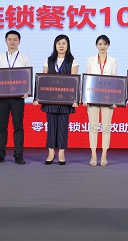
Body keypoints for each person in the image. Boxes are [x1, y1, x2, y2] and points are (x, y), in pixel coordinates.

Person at [33, 34, 79, 165]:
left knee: (63, 127)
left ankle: (61, 154)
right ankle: (51, 153)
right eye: (59, 43)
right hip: (51, 100)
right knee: (51, 127)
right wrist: (38, 98)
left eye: (64, 43)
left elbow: (74, 82)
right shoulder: (48, 60)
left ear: (68, 45)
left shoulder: (73, 61)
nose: (61, 46)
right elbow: (43, 80)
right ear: (55, 45)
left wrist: (75, 99)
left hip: (65, 101)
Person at [0, 30, 31, 165]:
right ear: (6, 41)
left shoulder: (24, 58)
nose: (12, 42)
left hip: (18, 97)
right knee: (1, 127)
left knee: (18, 126)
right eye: (9, 39)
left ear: (19, 41)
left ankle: (18, 155)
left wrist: (27, 91)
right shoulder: (0, 57)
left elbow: (27, 77)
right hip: (2, 97)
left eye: (15, 39)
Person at [85, 35, 118, 167]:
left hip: (108, 98)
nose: (102, 46)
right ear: (96, 45)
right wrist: (85, 98)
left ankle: (104, 154)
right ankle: (93, 154)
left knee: (106, 127)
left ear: (108, 45)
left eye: (105, 44)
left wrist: (115, 99)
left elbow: (115, 81)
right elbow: (87, 80)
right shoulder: (91, 60)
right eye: (100, 44)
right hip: (93, 98)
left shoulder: (113, 61)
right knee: (93, 127)